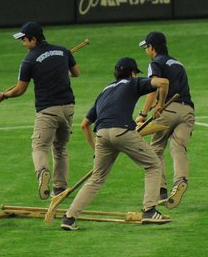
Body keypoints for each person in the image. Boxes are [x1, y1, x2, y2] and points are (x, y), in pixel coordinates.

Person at [60, 57, 170, 231]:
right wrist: (160, 106)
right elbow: (163, 82)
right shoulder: (133, 82)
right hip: (123, 130)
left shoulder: (105, 91)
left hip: (102, 134)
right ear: (133, 73)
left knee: (96, 179)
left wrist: (95, 149)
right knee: (153, 165)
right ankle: (149, 210)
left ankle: (69, 217)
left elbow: (84, 124)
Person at [0, 21, 80, 201]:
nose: (23, 44)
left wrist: (4, 95)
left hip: (47, 110)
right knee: (61, 147)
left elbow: (19, 90)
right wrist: (60, 72)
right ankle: (60, 187)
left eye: (24, 40)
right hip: (68, 108)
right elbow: (76, 72)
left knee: (39, 147)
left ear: (33, 39)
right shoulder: (63, 51)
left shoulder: (29, 60)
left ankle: (42, 173)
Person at [136, 31, 195, 210]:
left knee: (156, 148)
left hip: (168, 110)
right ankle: (180, 181)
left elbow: (154, 87)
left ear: (152, 47)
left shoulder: (155, 63)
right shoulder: (178, 63)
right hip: (188, 111)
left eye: (146, 47)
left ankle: (160, 190)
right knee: (179, 147)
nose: (146, 50)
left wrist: (143, 113)